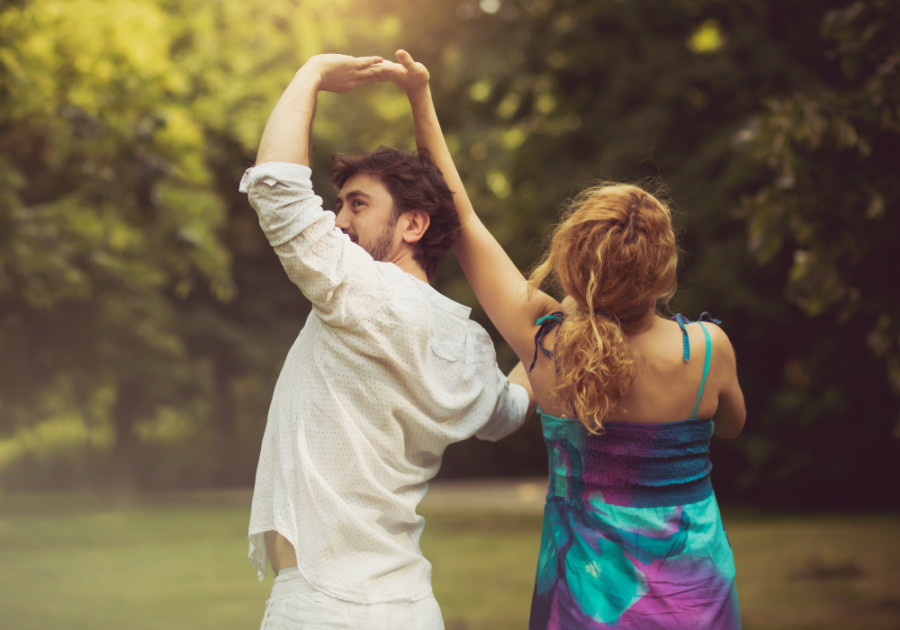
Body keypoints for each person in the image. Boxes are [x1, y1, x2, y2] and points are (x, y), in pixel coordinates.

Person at [383, 50, 747, 629]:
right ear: (664, 269)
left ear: (574, 266)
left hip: (584, 602)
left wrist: (420, 98)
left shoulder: (547, 347)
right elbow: (731, 425)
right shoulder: (706, 350)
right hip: (693, 599)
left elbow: (462, 221)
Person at [240, 54, 534, 630]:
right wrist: (548, 340)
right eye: (340, 202)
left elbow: (275, 188)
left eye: (358, 204)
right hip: (412, 609)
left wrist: (313, 73)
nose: (339, 220)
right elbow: (510, 410)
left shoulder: (357, 291)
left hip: (323, 608)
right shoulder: (468, 343)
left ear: (413, 225)